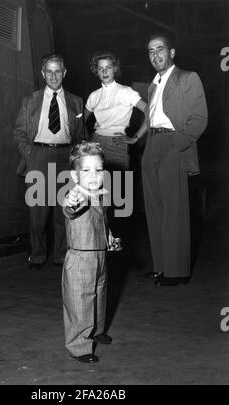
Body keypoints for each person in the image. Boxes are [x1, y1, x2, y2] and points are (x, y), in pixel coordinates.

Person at [125, 33, 208, 286]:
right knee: (154, 209)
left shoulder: (188, 78)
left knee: (174, 211)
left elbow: (200, 118)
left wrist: (177, 144)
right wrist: (138, 139)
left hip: (174, 143)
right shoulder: (152, 85)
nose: (155, 55)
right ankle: (161, 266)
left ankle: (177, 271)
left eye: (160, 49)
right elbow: (151, 118)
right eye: (151, 51)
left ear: (171, 53)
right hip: (152, 146)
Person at [13, 53, 85, 270]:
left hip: (65, 156)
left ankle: (61, 255)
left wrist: (75, 159)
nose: (53, 76)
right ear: (43, 74)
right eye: (49, 71)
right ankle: (36, 255)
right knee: (38, 211)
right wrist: (31, 155)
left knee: (64, 209)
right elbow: (19, 132)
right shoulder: (30, 101)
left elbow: (81, 135)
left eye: (58, 71)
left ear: (64, 73)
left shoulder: (76, 101)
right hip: (39, 156)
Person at [62, 141, 117, 364]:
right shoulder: (76, 194)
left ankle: (96, 329)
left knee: (99, 295)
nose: (94, 175)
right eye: (86, 170)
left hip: (99, 252)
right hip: (81, 256)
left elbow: (101, 220)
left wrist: (110, 237)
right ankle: (79, 344)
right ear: (75, 176)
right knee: (80, 300)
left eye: (99, 170)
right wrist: (71, 202)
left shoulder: (99, 194)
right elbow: (69, 209)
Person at [85, 51, 146, 171]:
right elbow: (81, 120)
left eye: (108, 67)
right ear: (96, 71)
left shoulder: (126, 92)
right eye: (100, 68)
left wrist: (136, 137)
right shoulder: (94, 95)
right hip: (96, 144)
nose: (104, 72)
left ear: (115, 69)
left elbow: (151, 112)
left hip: (118, 143)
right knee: (97, 187)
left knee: (121, 187)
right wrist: (88, 139)